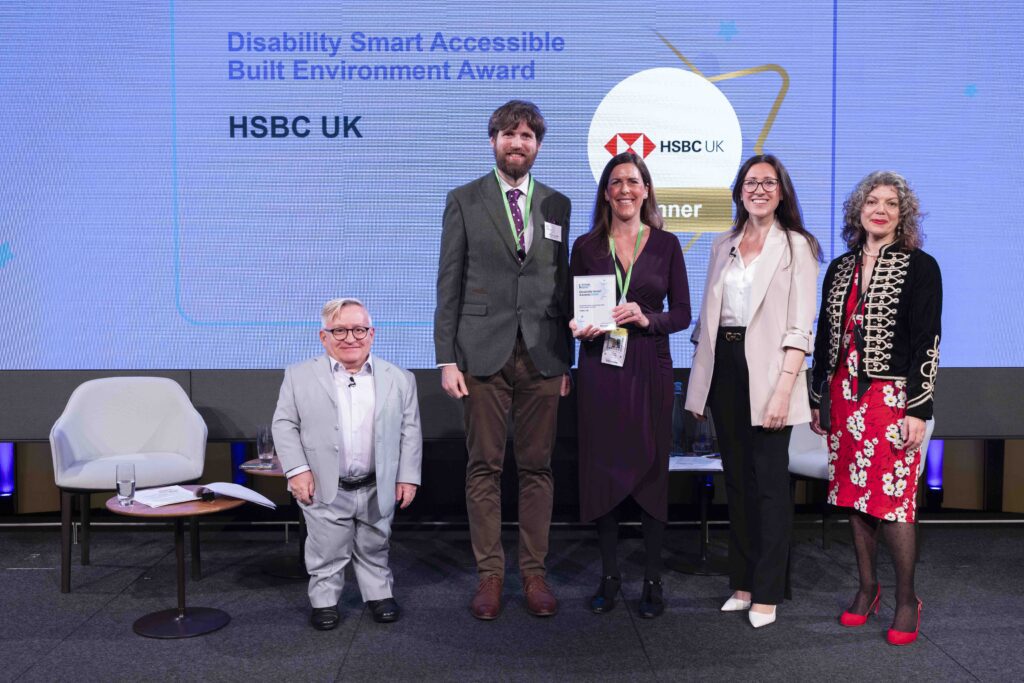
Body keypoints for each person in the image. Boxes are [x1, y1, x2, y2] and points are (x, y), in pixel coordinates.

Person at [434, 100, 572, 620]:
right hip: (481, 352)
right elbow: (448, 282)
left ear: (538, 146)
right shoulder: (464, 200)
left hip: (543, 356)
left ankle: (534, 575)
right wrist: (446, 357)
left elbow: (563, 289)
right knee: (484, 467)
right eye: (509, 135)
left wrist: (567, 362)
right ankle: (490, 576)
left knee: (537, 468)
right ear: (492, 140)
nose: (518, 144)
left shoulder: (558, 204)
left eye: (528, 137)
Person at [686, 154, 821, 628]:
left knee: (769, 487)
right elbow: (707, 318)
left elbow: (800, 325)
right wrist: (700, 387)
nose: (759, 189)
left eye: (768, 182)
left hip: (771, 371)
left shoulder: (797, 245)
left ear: (782, 191)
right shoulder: (723, 243)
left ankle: (767, 591)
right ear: (739, 191)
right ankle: (741, 583)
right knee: (738, 483)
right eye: (750, 182)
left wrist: (785, 388)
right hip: (724, 365)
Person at [809, 171, 941, 646]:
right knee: (852, 496)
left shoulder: (921, 267)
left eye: (890, 203)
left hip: (893, 399)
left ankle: (907, 599)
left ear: (902, 214)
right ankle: (867, 588)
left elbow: (928, 341)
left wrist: (918, 409)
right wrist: (818, 396)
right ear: (858, 211)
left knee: (894, 502)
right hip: (844, 396)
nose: (879, 209)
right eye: (872, 201)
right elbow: (826, 335)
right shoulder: (840, 267)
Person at [569, 152, 691, 618]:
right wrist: (578, 325)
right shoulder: (585, 246)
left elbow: (681, 313)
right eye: (616, 181)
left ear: (646, 190)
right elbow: (571, 308)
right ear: (606, 192)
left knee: (651, 468)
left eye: (633, 181)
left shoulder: (666, 245)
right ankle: (609, 575)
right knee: (602, 467)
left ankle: (653, 580)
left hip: (649, 362)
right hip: (601, 365)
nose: (625, 189)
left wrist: (647, 317)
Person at [273, 298, 422, 630]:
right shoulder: (298, 376)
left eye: (358, 329)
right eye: (339, 330)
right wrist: (298, 470)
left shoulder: (399, 378)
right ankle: (325, 601)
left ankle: (379, 594)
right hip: (326, 484)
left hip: (375, 483)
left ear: (372, 333)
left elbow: (409, 431)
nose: (350, 337)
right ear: (323, 336)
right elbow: (284, 425)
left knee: (375, 542)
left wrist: (408, 477)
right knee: (326, 548)